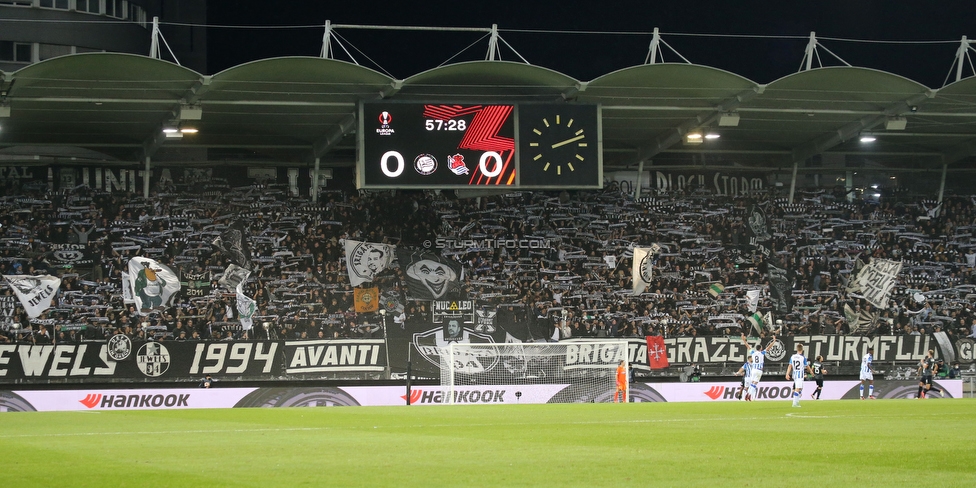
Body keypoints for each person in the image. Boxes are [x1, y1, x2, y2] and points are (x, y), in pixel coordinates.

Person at [740, 333, 775, 401]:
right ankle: (749, 394)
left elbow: (747, 346)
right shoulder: (762, 353)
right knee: (755, 383)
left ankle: (748, 394)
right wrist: (774, 341)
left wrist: (744, 340)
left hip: (753, 370)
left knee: (752, 382)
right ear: (761, 348)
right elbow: (769, 347)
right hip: (759, 370)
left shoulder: (753, 353)